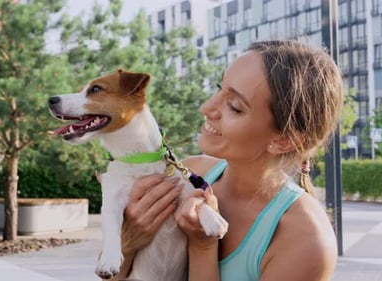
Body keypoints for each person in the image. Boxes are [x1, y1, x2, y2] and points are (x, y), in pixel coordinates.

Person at [111, 40, 343, 281]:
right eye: (219, 88)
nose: (206, 107)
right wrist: (126, 243)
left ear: (283, 140)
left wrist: (203, 246)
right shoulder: (191, 172)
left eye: (234, 106)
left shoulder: (307, 241)